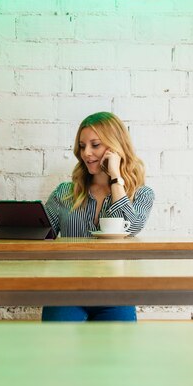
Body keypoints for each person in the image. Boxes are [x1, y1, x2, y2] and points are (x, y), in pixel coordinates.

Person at [42, 111, 154, 322]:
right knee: (57, 351)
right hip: (65, 292)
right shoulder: (64, 193)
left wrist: (115, 178)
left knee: (115, 354)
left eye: (95, 145)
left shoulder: (141, 194)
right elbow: (42, 235)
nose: (86, 153)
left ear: (115, 147)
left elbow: (132, 227)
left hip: (116, 294)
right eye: (82, 146)